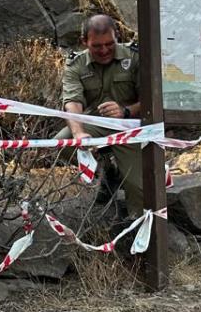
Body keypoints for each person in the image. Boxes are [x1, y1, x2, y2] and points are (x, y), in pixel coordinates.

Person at [61, 14, 143, 213]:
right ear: (84, 42)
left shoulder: (134, 57)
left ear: (117, 36)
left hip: (130, 127)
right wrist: (79, 133)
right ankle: (108, 171)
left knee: (137, 186)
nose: (104, 50)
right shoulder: (76, 65)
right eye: (97, 46)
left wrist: (126, 111)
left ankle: (138, 224)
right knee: (64, 142)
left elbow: (152, 99)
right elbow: (72, 101)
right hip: (97, 125)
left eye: (109, 44)